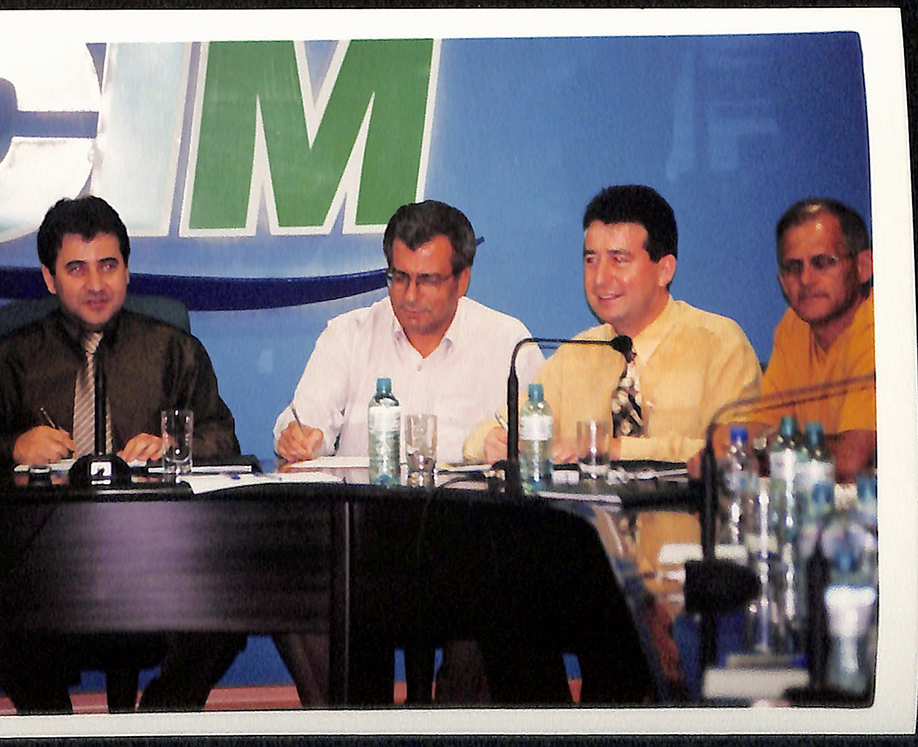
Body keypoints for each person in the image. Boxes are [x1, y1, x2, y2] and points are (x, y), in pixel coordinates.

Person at [0, 195, 245, 714]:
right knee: (0, 612)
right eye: (76, 268)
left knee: (231, 605)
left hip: (157, 561)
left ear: (127, 271)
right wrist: (11, 447)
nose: (96, 284)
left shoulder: (175, 351)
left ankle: (155, 724)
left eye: (108, 265)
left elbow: (224, 440)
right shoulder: (7, 361)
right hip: (41, 567)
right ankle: (54, 730)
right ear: (49, 278)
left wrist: (174, 447)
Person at [463, 185, 762, 701]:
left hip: (686, 571)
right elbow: (486, 434)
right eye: (590, 259)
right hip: (594, 574)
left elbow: (729, 451)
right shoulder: (577, 352)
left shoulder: (720, 343)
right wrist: (495, 440)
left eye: (619, 259)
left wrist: (612, 449)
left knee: (623, 632)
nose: (600, 278)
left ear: (664, 268)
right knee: (499, 598)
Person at [272, 199, 544, 705]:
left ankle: (454, 736)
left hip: (472, 550)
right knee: (293, 589)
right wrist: (294, 436)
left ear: (462, 280)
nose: (409, 295)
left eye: (427, 280)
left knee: (506, 592)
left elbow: (538, 453)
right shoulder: (349, 335)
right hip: (364, 548)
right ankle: (353, 729)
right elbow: (302, 425)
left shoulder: (509, 344)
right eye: (398, 277)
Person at [758, 198, 875, 481]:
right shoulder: (793, 327)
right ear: (782, 281)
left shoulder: (880, 327)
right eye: (793, 267)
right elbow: (759, 431)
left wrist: (772, 447)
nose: (806, 279)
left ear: (863, 267)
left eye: (822, 262)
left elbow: (851, 460)